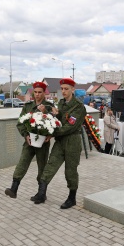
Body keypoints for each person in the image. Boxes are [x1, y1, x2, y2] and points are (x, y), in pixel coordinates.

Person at [32, 78, 86, 209]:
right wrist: (51, 114)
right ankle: (41, 193)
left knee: (70, 171)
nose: (63, 91)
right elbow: (58, 120)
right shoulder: (61, 103)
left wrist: (51, 132)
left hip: (72, 141)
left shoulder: (79, 107)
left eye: (66, 89)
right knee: (50, 165)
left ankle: (72, 198)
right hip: (60, 141)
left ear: (72, 89)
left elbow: (69, 127)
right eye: (62, 89)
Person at [5, 82, 55, 199]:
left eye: (40, 92)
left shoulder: (49, 106)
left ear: (44, 93)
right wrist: (25, 135)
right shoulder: (27, 106)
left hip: (43, 142)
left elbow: (55, 122)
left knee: (42, 166)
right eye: (35, 92)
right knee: (23, 162)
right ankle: (14, 188)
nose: (37, 95)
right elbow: (20, 123)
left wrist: (50, 135)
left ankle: (41, 193)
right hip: (29, 141)